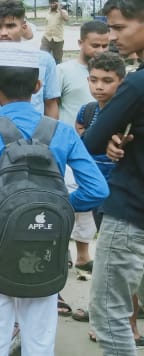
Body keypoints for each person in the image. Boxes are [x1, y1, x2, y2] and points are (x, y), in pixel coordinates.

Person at [0, 44, 107, 356]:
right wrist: (60, 206)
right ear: (38, 87)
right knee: (39, 337)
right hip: (48, 243)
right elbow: (97, 190)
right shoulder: (62, 132)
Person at [86, 0, 144, 354]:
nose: (111, 37)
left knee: (110, 316)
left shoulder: (136, 84)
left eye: (120, 27)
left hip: (130, 213)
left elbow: (91, 140)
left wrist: (111, 136)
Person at [71, 51, 125, 275]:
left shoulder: (127, 112)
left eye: (107, 81)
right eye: (94, 80)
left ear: (122, 83)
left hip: (119, 190)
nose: (99, 87)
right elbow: (80, 133)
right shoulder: (88, 110)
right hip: (93, 186)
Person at [0, 0, 60, 120]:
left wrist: (49, 137)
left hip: (35, 135)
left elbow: (51, 104)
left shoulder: (44, 61)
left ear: (24, 27)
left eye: (10, 26)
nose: (3, 33)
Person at [57, 20, 111, 135]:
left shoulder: (113, 73)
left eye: (105, 46)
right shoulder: (63, 71)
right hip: (70, 141)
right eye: (95, 46)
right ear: (80, 43)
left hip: (99, 142)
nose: (101, 51)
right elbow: (51, 106)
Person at [41, 0, 69, 64]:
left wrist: (60, 9)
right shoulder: (47, 12)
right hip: (47, 38)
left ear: (57, 3)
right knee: (43, 57)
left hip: (58, 40)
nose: (52, 5)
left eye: (54, 3)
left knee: (57, 60)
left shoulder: (63, 11)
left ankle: (56, 73)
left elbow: (66, 19)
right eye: (51, 3)